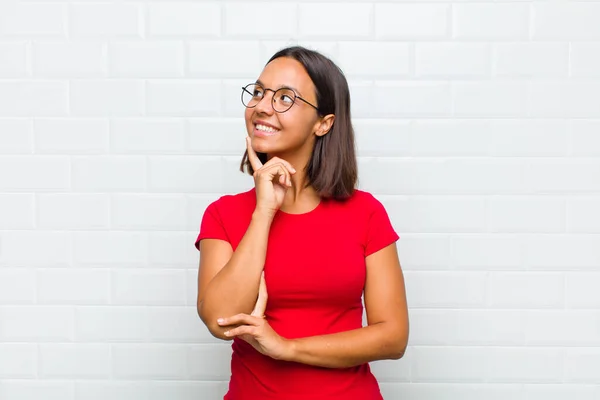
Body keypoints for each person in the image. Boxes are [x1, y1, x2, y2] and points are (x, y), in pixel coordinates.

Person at [195, 46, 409, 400]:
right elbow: (220, 319)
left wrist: (286, 347)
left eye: (285, 98)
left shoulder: (366, 213)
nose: (263, 106)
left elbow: (393, 336)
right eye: (260, 92)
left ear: (323, 123)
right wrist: (263, 212)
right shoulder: (224, 215)